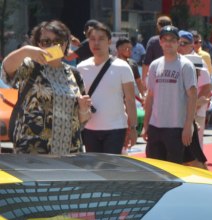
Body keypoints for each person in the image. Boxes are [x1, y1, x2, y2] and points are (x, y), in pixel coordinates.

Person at [1, 19, 91, 155]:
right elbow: (6, 70)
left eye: (58, 41)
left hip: (69, 150)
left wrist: (84, 110)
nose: (52, 46)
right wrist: (25, 51)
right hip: (33, 150)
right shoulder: (30, 66)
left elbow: (82, 119)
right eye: (46, 41)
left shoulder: (74, 74)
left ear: (65, 43)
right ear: (38, 44)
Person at [78, 22, 138, 155]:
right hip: (89, 128)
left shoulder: (122, 67)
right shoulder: (81, 67)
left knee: (112, 171)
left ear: (109, 41)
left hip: (116, 129)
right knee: (94, 171)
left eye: (101, 39)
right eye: (92, 39)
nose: (96, 43)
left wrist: (133, 128)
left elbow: (130, 100)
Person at [142, 26, 197, 165]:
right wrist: (146, 124)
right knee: (155, 169)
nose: (168, 43)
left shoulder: (186, 65)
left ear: (178, 42)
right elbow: (150, 95)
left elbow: (192, 96)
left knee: (174, 169)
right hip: (156, 126)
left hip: (176, 127)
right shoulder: (155, 65)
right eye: (165, 40)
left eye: (172, 40)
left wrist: (188, 125)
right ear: (160, 42)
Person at [142, 15, 173, 92]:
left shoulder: (153, 41)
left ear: (158, 26)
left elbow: (146, 62)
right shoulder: (176, 41)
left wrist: (143, 79)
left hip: (156, 76)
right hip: (173, 76)